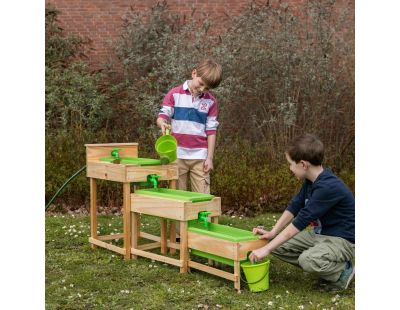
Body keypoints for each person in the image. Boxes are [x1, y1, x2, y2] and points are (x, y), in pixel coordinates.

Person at [249, 133, 355, 292]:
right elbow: (295, 206)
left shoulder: (328, 187)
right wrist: (273, 233)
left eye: (291, 164)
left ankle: (343, 271)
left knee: (307, 260)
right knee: (276, 244)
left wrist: (266, 250)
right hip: (321, 235)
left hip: (342, 240)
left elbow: (300, 221)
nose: (290, 168)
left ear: (303, 164)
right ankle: (323, 263)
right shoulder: (311, 181)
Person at [156, 59, 222, 194]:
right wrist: (162, 123)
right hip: (177, 155)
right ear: (194, 73)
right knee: (178, 197)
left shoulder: (211, 102)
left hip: (200, 157)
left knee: (203, 198)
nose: (203, 89)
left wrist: (209, 158)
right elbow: (163, 116)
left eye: (207, 88)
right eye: (201, 84)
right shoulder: (174, 94)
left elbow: (211, 131)